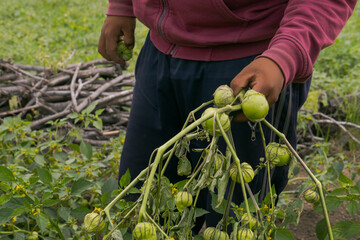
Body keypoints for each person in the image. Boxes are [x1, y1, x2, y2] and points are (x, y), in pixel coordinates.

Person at [98, 0, 357, 230]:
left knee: (234, 220)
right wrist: (122, 6)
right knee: (138, 203)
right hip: (159, 53)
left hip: (252, 67)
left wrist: (283, 55)